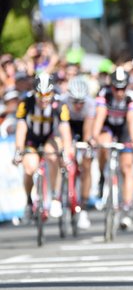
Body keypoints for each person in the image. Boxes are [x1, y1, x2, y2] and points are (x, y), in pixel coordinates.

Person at [13, 72, 73, 221]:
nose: (44, 99)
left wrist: (66, 151)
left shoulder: (59, 103)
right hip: (32, 139)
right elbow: (21, 127)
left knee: (52, 155)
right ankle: (28, 201)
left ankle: (54, 197)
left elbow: (65, 129)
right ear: (35, 92)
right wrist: (18, 151)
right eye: (41, 95)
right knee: (29, 167)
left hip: (50, 137)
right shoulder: (26, 102)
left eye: (48, 94)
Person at [92, 66, 133, 230]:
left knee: (127, 167)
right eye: (116, 88)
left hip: (124, 129)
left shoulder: (131, 96)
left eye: (123, 88)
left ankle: (126, 206)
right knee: (103, 144)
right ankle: (102, 175)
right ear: (111, 86)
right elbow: (99, 116)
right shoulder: (104, 93)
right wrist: (94, 137)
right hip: (108, 127)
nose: (119, 92)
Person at [65, 77, 96, 229]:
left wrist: (86, 144)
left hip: (84, 125)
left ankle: (83, 206)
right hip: (68, 125)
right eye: (75, 102)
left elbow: (88, 130)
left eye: (81, 102)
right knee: (63, 154)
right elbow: (62, 127)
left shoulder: (90, 104)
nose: (78, 105)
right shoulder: (63, 102)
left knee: (87, 164)